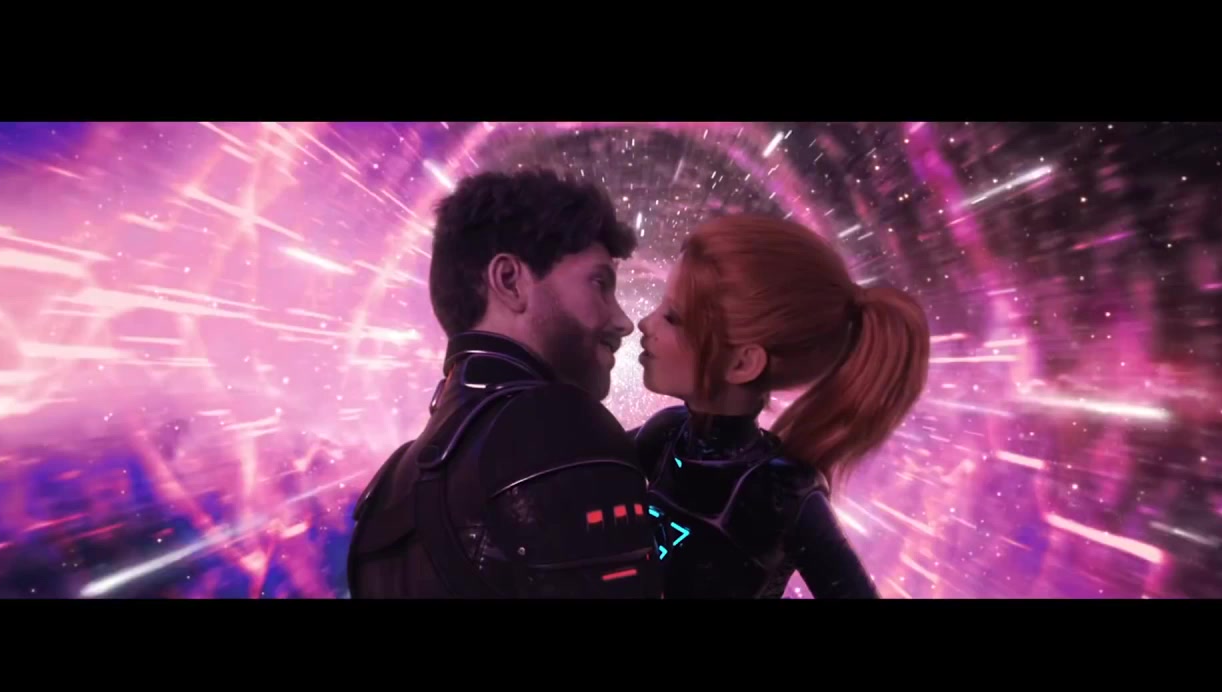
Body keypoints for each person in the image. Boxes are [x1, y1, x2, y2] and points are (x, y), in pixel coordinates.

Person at [347, 170, 661, 598]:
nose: (622, 321)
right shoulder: (556, 425)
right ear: (510, 280)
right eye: (600, 284)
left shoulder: (391, 480)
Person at [632, 214, 930, 599]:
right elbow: (577, 467)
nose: (645, 324)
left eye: (673, 318)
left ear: (743, 363)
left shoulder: (781, 494)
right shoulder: (666, 434)